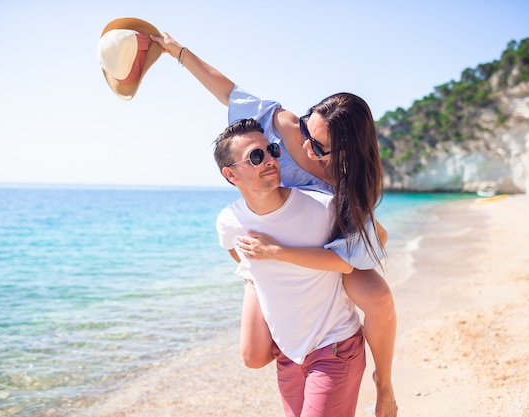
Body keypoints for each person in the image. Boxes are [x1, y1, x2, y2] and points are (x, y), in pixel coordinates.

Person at [96, 18, 397, 417]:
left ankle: (382, 382)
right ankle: (274, 303)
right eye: (308, 129)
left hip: (332, 243)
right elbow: (228, 91)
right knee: (254, 355)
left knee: (377, 297)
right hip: (280, 236)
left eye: (320, 147)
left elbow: (353, 252)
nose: (305, 146)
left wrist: (280, 251)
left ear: (346, 152)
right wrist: (178, 52)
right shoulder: (284, 125)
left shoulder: (349, 184)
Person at [214, 117, 367, 417]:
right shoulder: (229, 221)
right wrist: (254, 277)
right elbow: (240, 258)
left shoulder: (323, 207)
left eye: (271, 150)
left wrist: (276, 252)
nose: (269, 159)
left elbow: (351, 261)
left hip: (334, 346)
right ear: (231, 175)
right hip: (289, 354)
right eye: (256, 157)